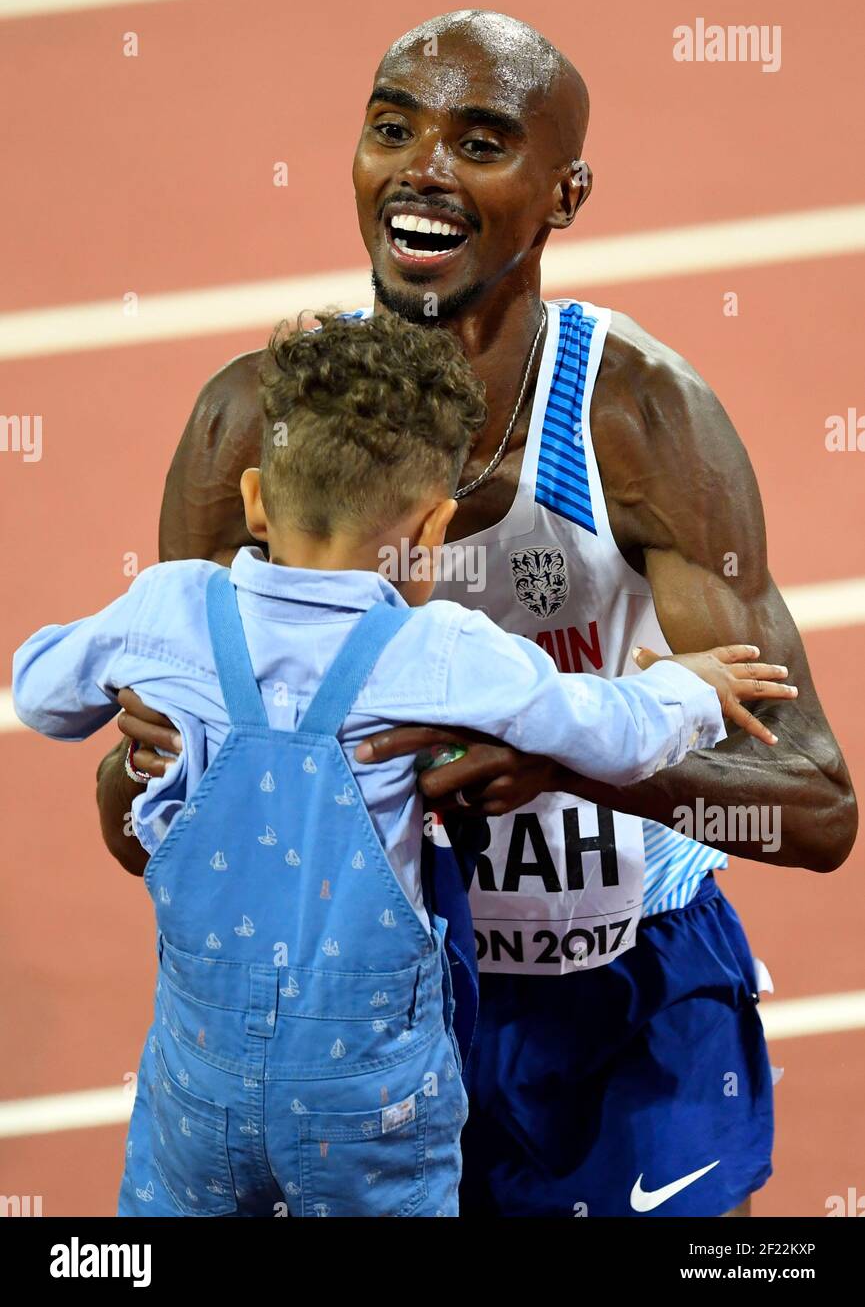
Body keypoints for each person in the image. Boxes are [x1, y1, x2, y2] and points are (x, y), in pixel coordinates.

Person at [95, 12, 856, 1217]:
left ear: (566, 193)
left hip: (622, 996)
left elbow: (815, 805)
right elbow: (136, 826)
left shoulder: (640, 422)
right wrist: (169, 771)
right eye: (392, 127)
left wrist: (557, 748)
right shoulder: (255, 427)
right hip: (359, 1022)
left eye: (481, 140)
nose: (425, 170)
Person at [13, 312, 789, 1217]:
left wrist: (128, 690)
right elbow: (608, 731)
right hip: (365, 1095)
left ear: (258, 501)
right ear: (433, 530)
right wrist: (691, 692)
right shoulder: (435, 649)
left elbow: (37, 690)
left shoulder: (168, 605)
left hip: (200, 1076)